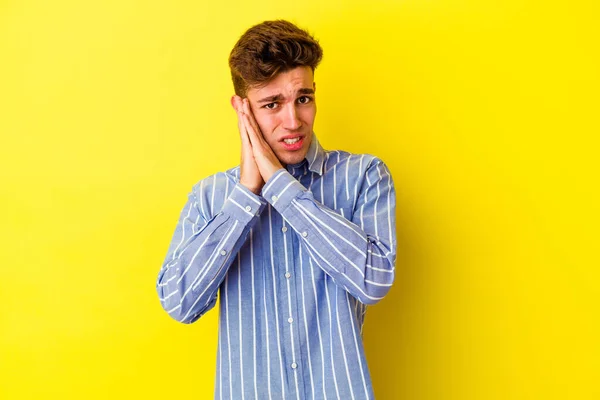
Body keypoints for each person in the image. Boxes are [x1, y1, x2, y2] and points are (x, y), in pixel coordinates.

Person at [156, 19, 397, 399]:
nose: (294, 121)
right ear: (242, 109)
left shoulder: (364, 176)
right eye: (272, 104)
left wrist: (280, 185)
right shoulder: (211, 197)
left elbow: (373, 282)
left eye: (303, 98)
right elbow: (179, 302)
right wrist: (246, 196)